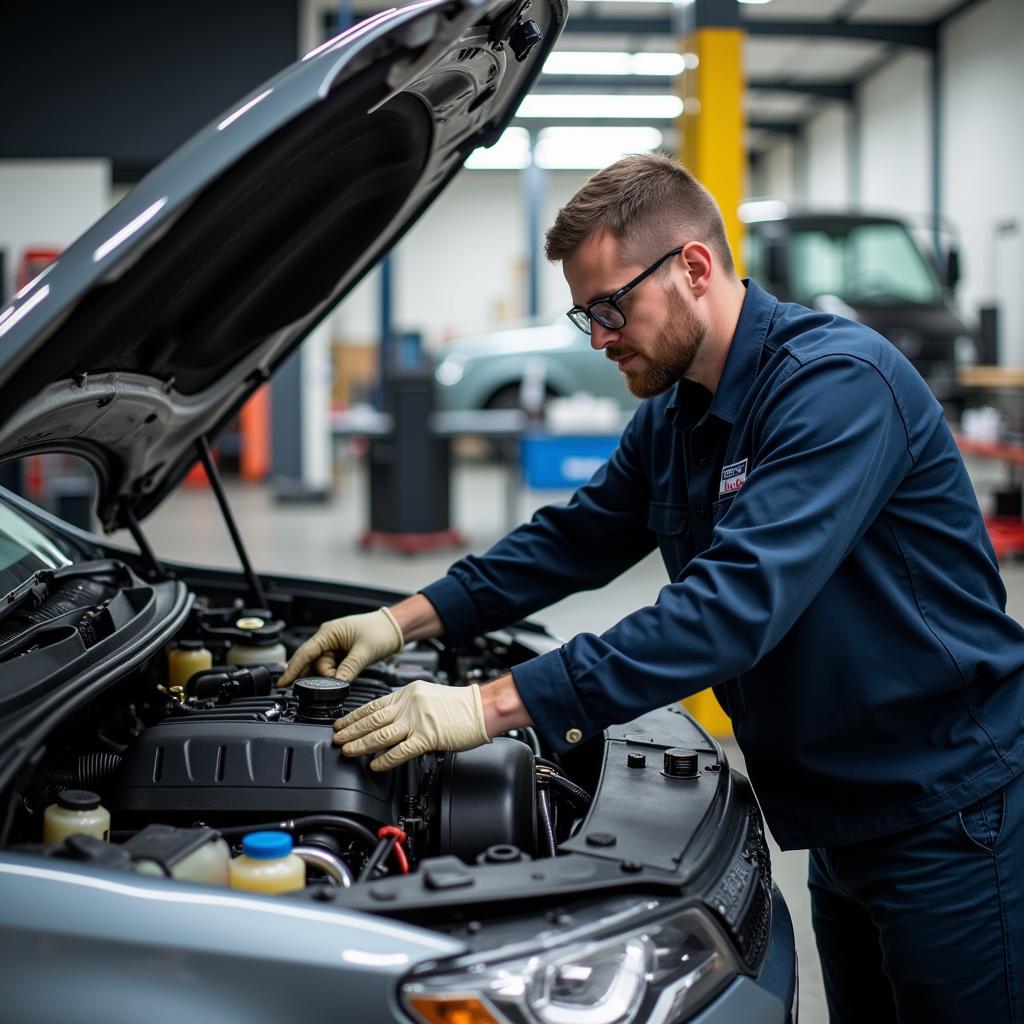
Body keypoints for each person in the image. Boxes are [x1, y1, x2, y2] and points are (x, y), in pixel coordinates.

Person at [277, 154, 1024, 1021]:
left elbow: (728, 611)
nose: (598, 338)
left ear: (694, 269)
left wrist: (488, 706)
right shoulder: (678, 415)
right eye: (583, 314)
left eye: (610, 307)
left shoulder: (837, 387)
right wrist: (400, 619)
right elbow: (574, 538)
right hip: (839, 817)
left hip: (948, 813)